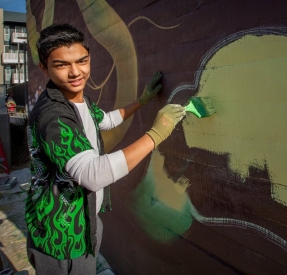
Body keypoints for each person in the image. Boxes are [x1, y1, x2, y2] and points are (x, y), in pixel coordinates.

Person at [25, 23, 185, 275]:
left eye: (82, 61)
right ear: (44, 67)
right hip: (61, 235)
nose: (75, 72)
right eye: (61, 65)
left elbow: (106, 120)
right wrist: (156, 134)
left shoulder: (79, 100)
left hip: (85, 220)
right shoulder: (53, 116)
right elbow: (93, 175)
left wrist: (142, 101)